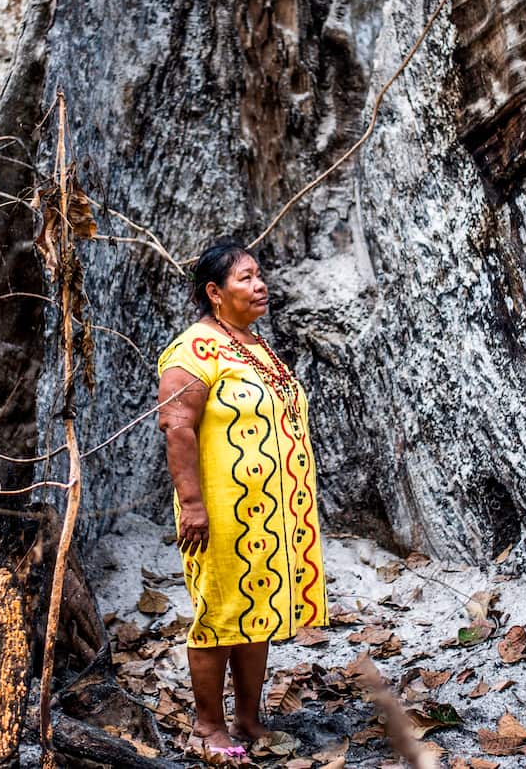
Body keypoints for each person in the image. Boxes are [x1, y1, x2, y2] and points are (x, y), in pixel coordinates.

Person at [156, 240, 328, 763]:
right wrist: (191, 505)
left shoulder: (253, 345)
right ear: (214, 292)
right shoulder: (193, 349)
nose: (259, 286)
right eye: (245, 278)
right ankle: (206, 728)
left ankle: (249, 720)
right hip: (222, 513)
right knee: (219, 613)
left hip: (273, 514)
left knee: (260, 608)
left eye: (259, 276)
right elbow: (177, 427)